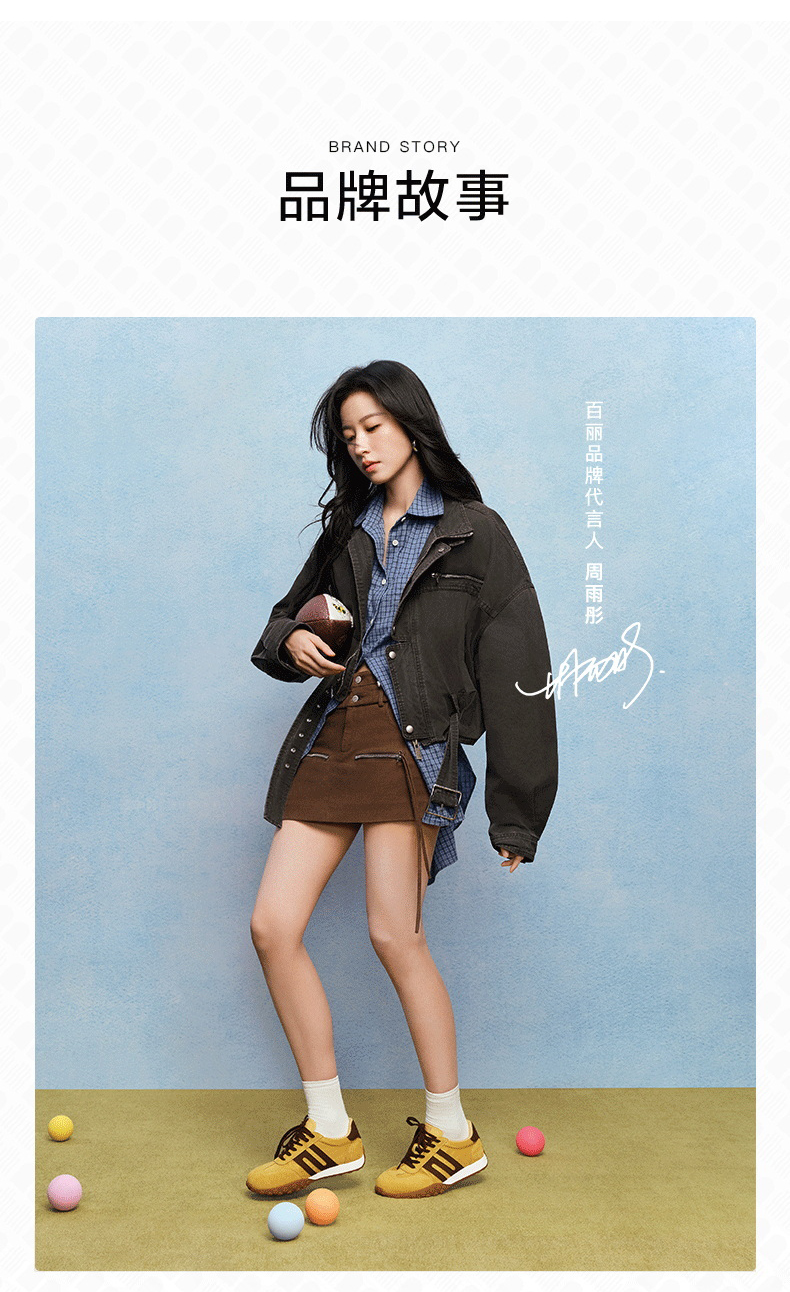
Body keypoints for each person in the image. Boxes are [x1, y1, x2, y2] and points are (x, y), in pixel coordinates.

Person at [246, 360, 558, 1200]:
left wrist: (517, 815)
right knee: (272, 926)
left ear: (412, 425)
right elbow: (283, 622)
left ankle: (452, 1134)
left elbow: (521, 672)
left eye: (373, 427)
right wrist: (292, 641)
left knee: (394, 936)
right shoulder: (347, 530)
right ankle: (328, 1129)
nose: (360, 444)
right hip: (334, 739)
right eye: (349, 434)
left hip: (412, 751)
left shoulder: (475, 533)